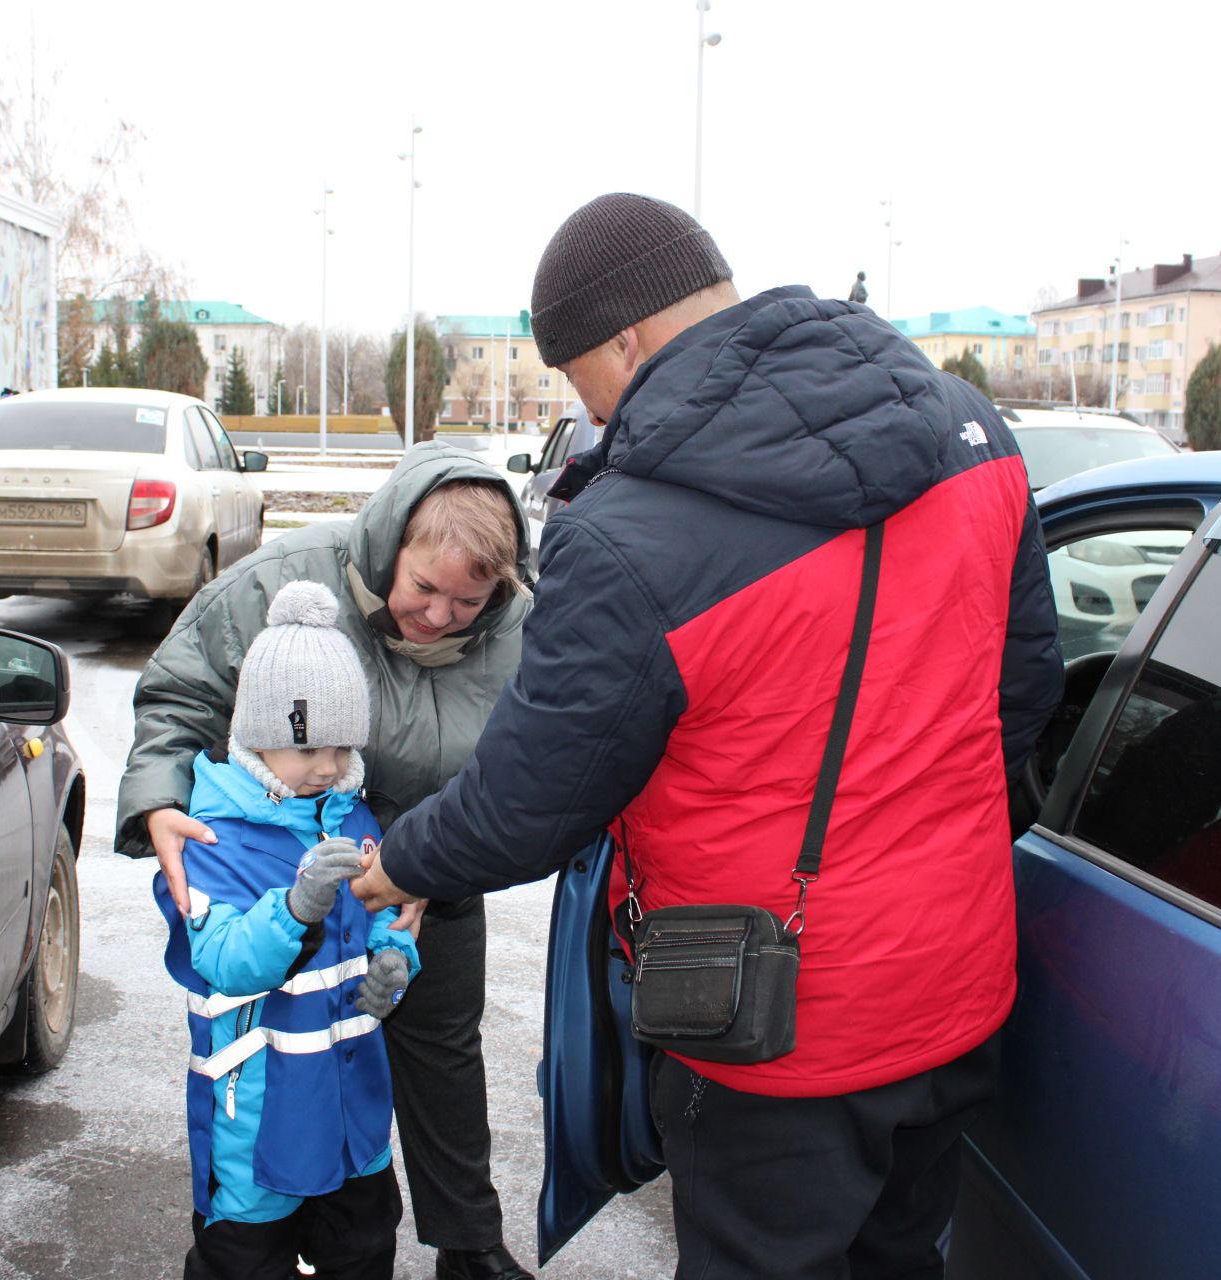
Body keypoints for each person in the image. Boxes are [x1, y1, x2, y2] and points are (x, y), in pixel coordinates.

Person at [352, 193, 1063, 1280]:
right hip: (958, 987)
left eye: (571, 372)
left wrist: (400, 860)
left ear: (624, 340)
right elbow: (1022, 695)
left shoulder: (630, 533)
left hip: (773, 1025)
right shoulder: (975, 433)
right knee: (901, 1258)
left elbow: (533, 798)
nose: (579, 405)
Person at [118, 441, 537, 1280]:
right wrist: (159, 798)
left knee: (442, 1047)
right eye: (424, 589)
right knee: (286, 1048)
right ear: (392, 548)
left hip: (431, 874)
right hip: (290, 868)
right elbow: (180, 692)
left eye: (468, 599)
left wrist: (442, 868)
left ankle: (467, 1242)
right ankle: (259, 1221)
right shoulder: (284, 580)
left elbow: (540, 761)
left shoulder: (523, 628)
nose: (440, 615)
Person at [156, 580, 419, 1280]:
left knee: (363, 1250)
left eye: (341, 746)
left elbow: (382, 919)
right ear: (258, 738)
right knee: (245, 1262)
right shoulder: (210, 842)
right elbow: (224, 961)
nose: (329, 766)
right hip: (258, 1119)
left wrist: (395, 957)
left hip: (354, 1115)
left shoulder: (352, 817)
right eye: (308, 749)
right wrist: (296, 904)